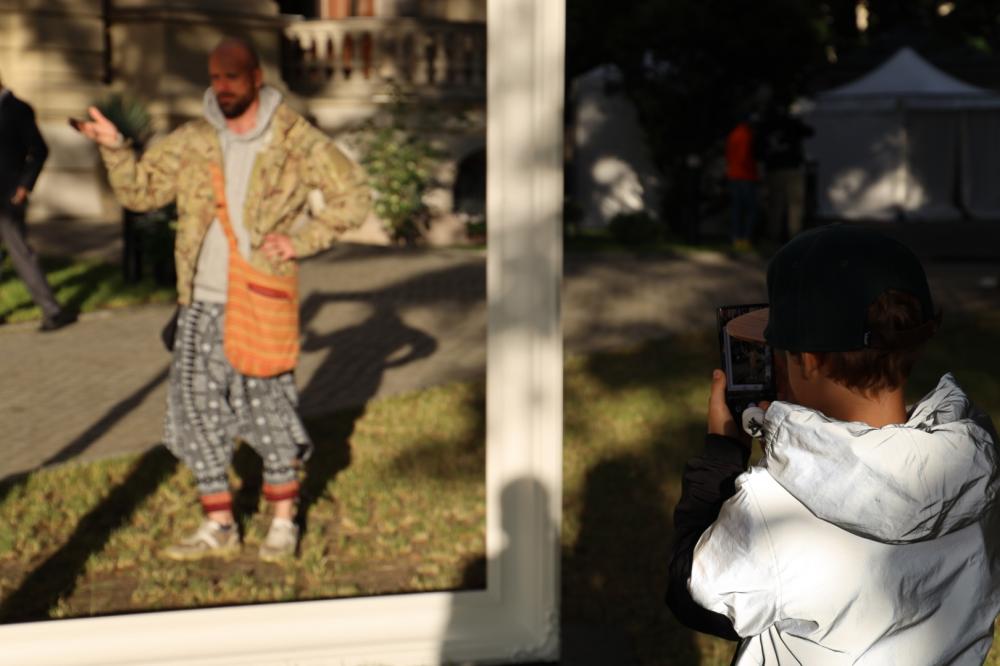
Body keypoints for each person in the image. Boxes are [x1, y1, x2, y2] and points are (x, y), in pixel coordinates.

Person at [76, 37, 370, 562]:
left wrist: (301, 241)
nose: (222, 87)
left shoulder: (294, 139)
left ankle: (283, 521)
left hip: (260, 297)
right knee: (196, 412)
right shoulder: (194, 138)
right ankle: (219, 524)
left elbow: (353, 196)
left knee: (270, 409)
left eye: (232, 77)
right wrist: (115, 147)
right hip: (199, 303)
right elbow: (142, 192)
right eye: (215, 77)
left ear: (256, 78)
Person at [666, 224, 1000, 664]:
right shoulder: (975, 468)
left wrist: (722, 452)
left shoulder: (773, 508)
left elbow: (693, 594)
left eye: (780, 351)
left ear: (808, 360)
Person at [0, 73, 77, 331]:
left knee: (20, 254)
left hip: (9, 197)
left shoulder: (18, 109)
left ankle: (53, 311)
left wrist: (24, 186)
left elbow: (40, 149)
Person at [758, 106, 813, 242]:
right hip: (791, 168)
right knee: (794, 204)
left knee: (776, 204)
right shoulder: (791, 123)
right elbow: (809, 131)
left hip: (776, 168)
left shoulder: (767, 125)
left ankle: (774, 235)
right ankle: (793, 235)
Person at [725, 117, 759, 251]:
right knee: (751, 209)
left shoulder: (733, 134)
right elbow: (744, 156)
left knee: (737, 208)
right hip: (746, 175)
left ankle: (736, 237)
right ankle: (746, 238)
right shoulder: (746, 135)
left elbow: (729, 155)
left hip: (734, 174)